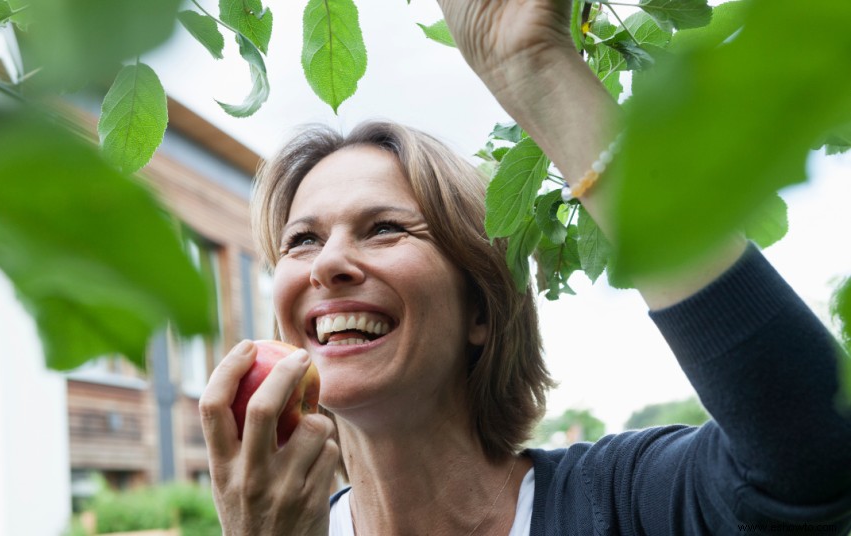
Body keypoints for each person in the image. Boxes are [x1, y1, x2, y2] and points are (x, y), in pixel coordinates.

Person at [198, 0, 851, 534]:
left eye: (385, 228)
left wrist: (535, 69)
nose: (330, 263)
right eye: (303, 240)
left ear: (480, 310)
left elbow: (813, 452)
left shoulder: (624, 503)